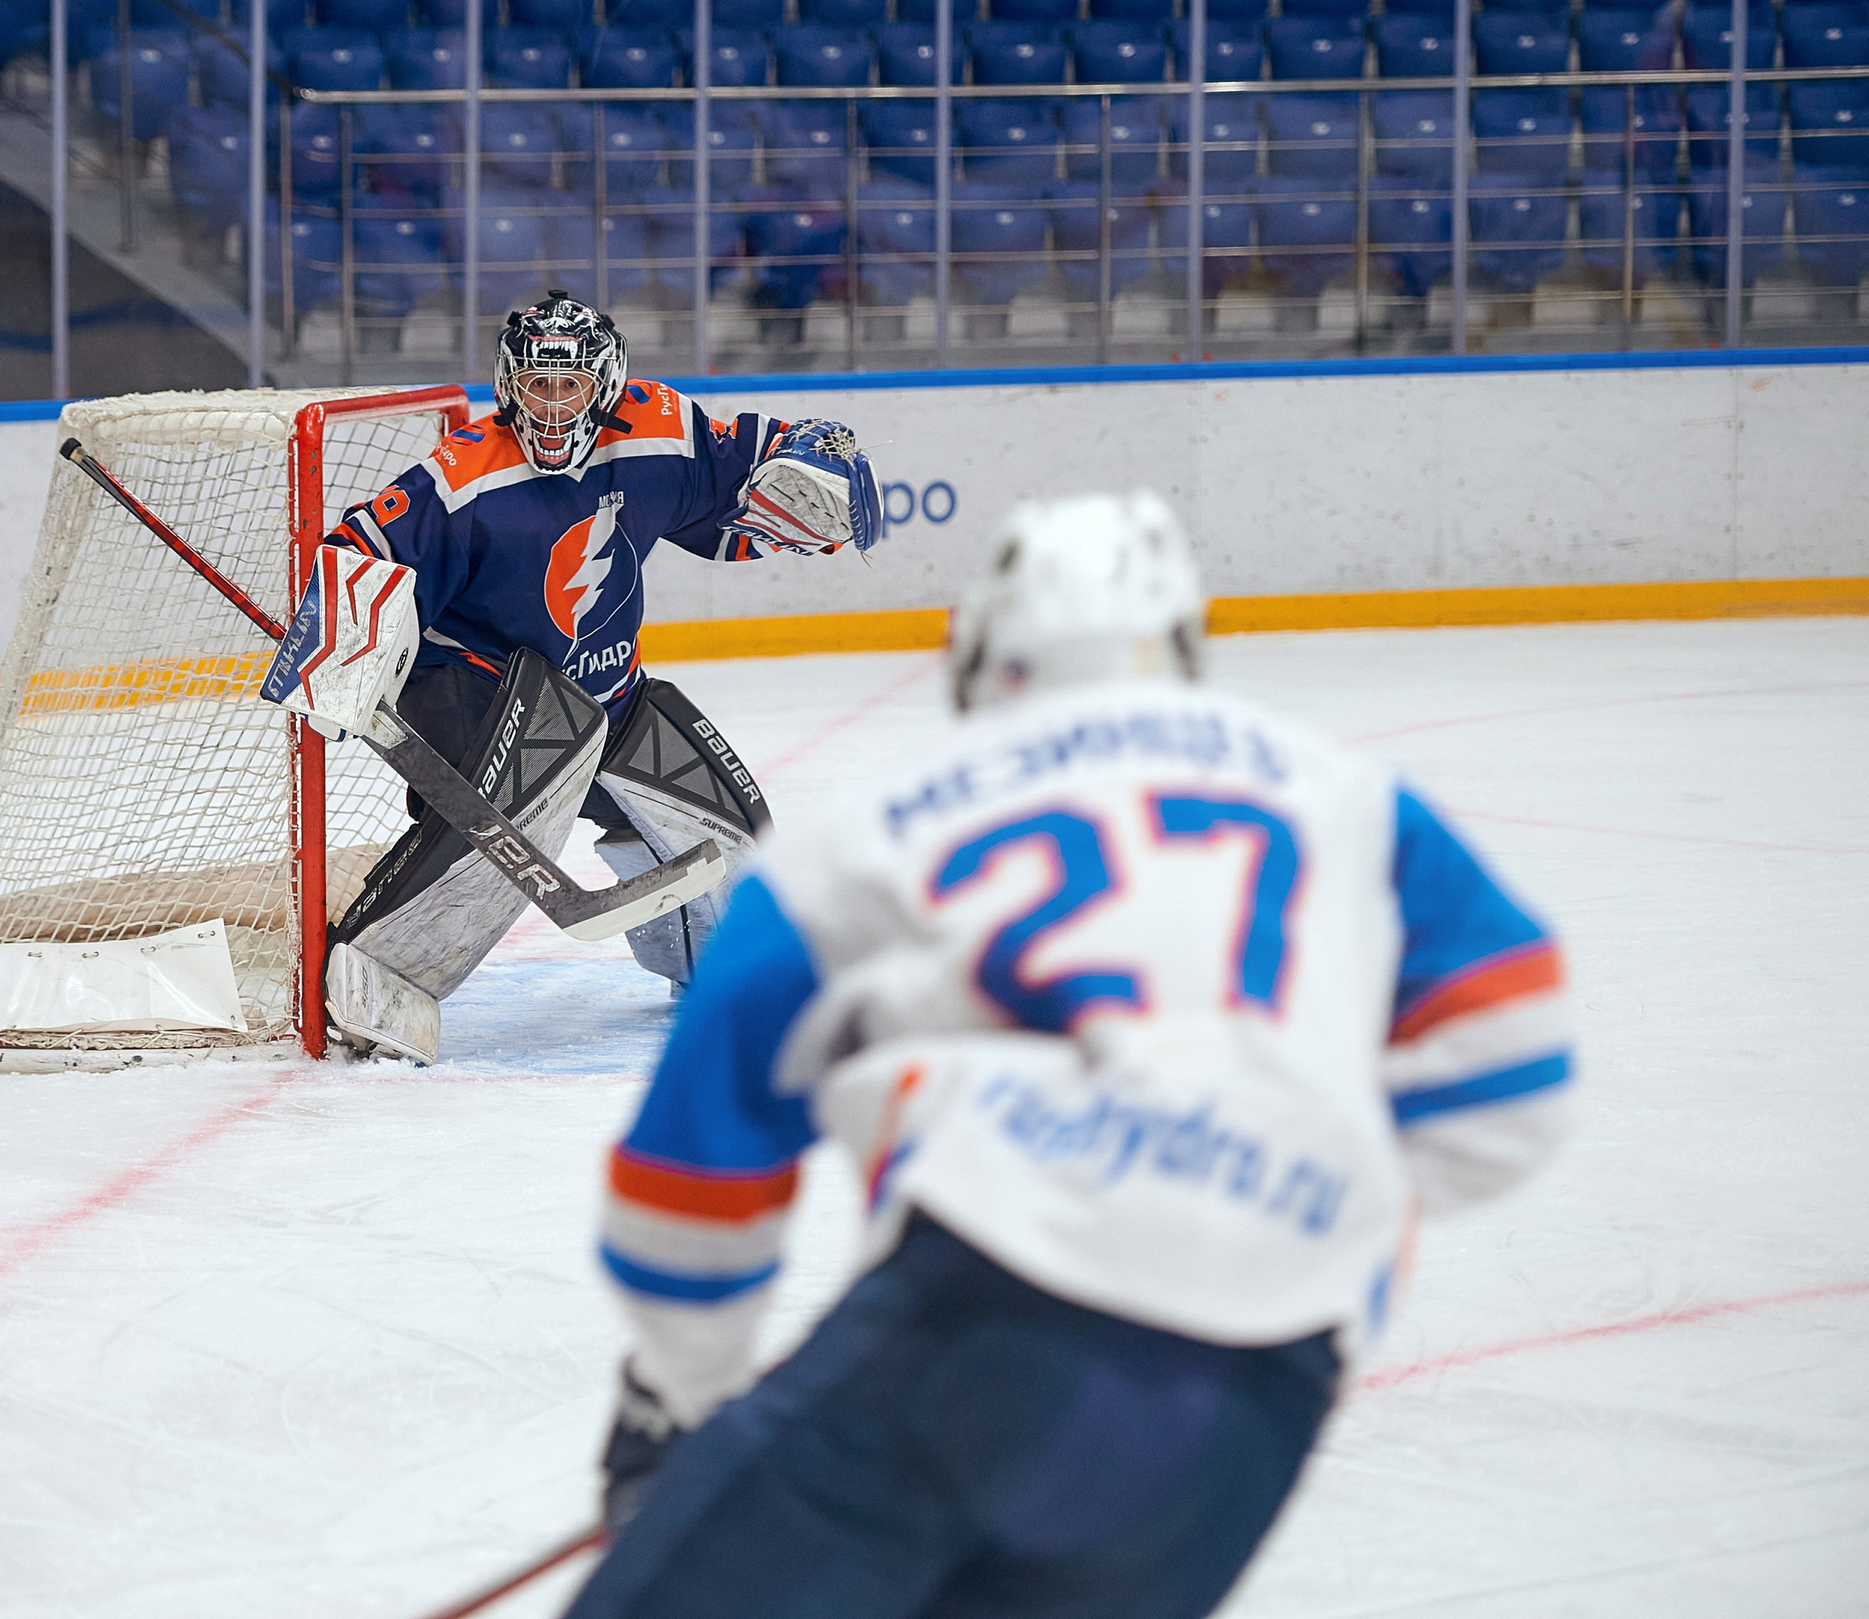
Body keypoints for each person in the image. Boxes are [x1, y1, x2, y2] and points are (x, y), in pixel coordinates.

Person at [570, 492, 1576, 1618]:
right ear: (1185, 648)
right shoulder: (1351, 798)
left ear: (979, 656)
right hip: (1258, 1389)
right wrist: (1287, 1179)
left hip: (983, 1321)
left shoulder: (877, 829)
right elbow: (1514, 1073)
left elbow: (688, 1166)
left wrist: (680, 1389)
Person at [311, 290, 881, 1063]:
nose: (552, 405)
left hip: (613, 694)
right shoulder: (462, 476)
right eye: (537, 386)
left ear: (603, 384)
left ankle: (719, 966)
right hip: (483, 689)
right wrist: (341, 640)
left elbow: (761, 453)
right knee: (501, 829)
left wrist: (816, 463)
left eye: (569, 385)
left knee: (732, 838)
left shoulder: (657, 431)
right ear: (511, 384)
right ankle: (377, 971)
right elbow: (359, 545)